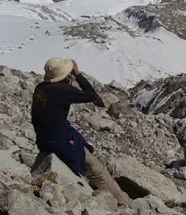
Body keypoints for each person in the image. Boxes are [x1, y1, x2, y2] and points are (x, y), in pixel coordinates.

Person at [31, 57, 131, 207]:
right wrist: (78, 74)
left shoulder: (41, 88)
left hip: (44, 138)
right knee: (95, 168)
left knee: (85, 156)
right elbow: (92, 95)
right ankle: (124, 203)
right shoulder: (63, 91)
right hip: (61, 140)